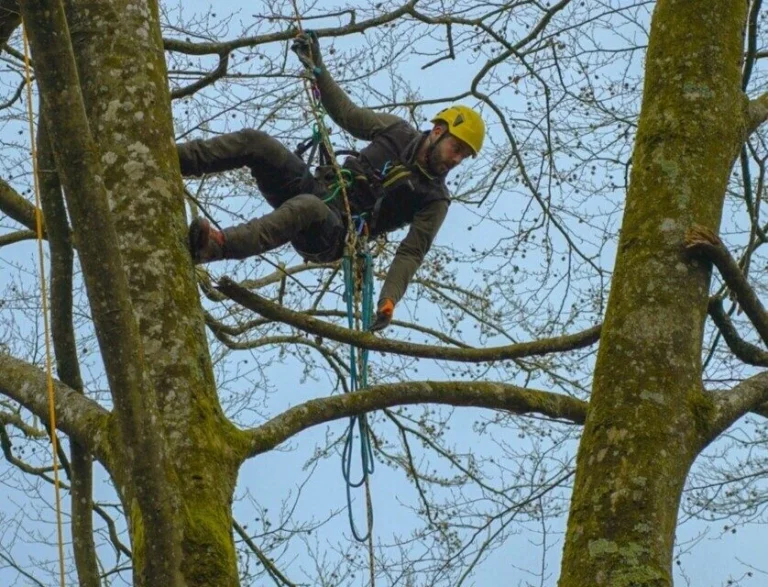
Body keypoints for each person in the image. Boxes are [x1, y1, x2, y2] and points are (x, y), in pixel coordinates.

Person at [181, 32, 485, 332]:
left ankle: (215, 247)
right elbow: (347, 114)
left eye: (464, 156)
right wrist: (317, 66)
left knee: (307, 207)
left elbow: (411, 253)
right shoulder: (397, 131)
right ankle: (176, 158)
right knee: (257, 143)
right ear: (437, 131)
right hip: (320, 189)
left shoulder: (434, 198)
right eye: (456, 148)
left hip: (336, 233)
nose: (456, 159)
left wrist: (389, 299)